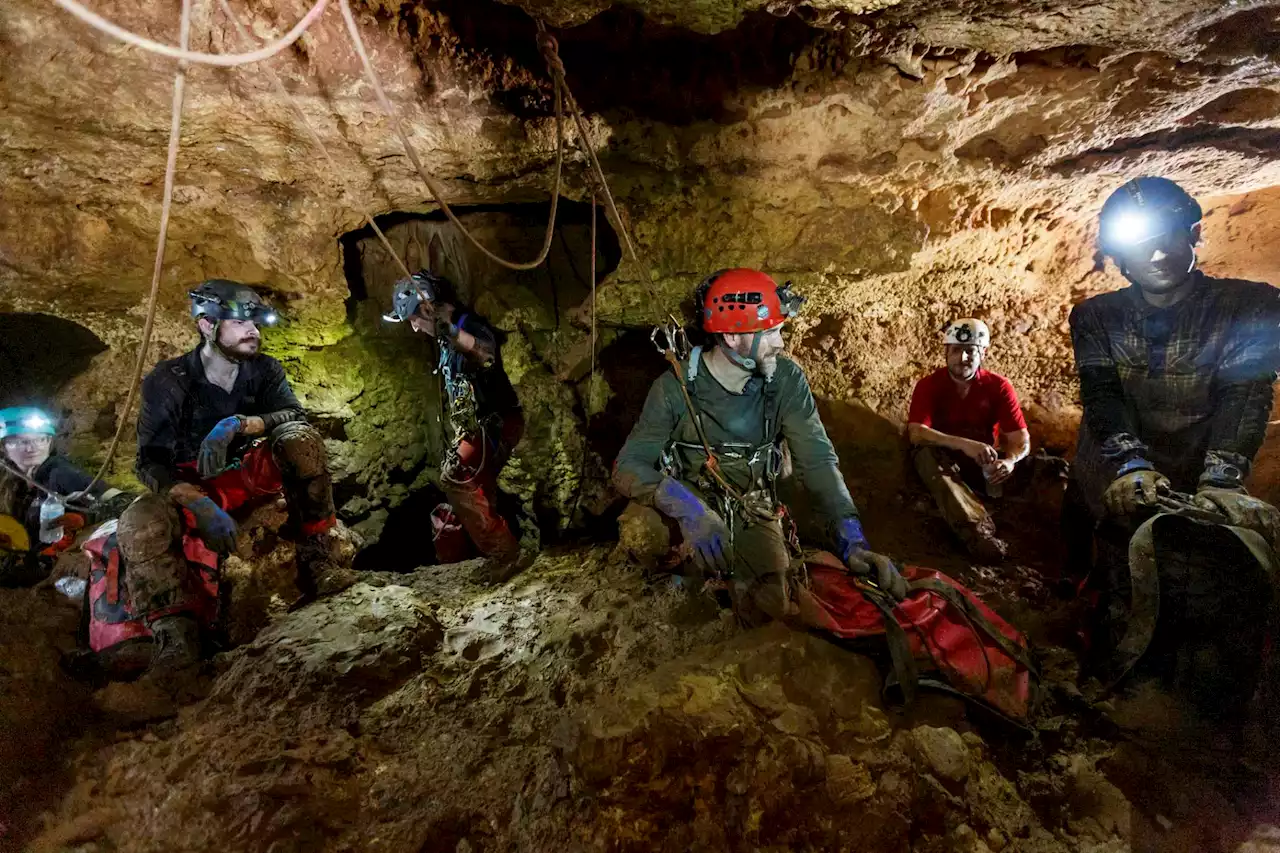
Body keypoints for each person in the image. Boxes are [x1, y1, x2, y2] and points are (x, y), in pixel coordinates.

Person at [1067, 176, 1280, 721]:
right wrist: (1129, 464)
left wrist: (1222, 479)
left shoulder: (1250, 306)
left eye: (1168, 237)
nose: (1157, 253)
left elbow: (1245, 394)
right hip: (1115, 454)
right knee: (1119, 547)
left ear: (1194, 234)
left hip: (1200, 452)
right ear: (1118, 254)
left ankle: (1205, 703)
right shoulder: (1096, 317)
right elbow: (1103, 394)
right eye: (1140, 243)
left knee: (1206, 558)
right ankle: (1116, 673)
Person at [613, 267, 906, 625]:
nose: (780, 343)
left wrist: (852, 540)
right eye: (769, 332)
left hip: (752, 502)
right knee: (642, 532)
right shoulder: (675, 387)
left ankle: (729, 574)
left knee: (774, 611)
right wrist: (688, 508)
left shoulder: (785, 379)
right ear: (731, 337)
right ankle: (685, 578)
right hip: (692, 494)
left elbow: (817, 462)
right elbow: (629, 463)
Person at [121, 279, 354, 673]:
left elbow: (294, 415)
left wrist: (241, 424)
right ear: (207, 326)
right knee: (138, 520)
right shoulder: (169, 381)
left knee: (300, 439)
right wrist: (198, 502)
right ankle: (176, 629)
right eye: (240, 323)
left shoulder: (263, 370)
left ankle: (317, 559)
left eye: (256, 324)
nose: (253, 332)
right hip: (194, 483)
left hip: (246, 473)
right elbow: (148, 462)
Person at [384, 270, 529, 580]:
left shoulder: (466, 326)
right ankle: (492, 553)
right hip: (479, 425)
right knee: (481, 487)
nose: (412, 327)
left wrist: (447, 329)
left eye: (412, 317)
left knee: (454, 478)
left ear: (426, 308)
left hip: (495, 423)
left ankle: (505, 553)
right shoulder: (444, 339)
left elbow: (485, 354)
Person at [906, 319, 1030, 561]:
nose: (962, 358)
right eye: (955, 350)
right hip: (944, 458)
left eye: (970, 351)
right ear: (946, 352)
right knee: (926, 455)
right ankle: (978, 533)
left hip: (983, 460)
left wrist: (1011, 461)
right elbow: (916, 432)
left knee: (1049, 469)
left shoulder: (999, 387)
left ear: (983, 352)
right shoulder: (930, 385)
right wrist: (964, 444)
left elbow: (1020, 438)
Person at [0, 406, 133, 586]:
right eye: (20, 441)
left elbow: (126, 501)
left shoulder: (61, 473)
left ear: (50, 442)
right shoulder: (13, 482)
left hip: (58, 567)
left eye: (41, 439)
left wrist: (85, 517)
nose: (32, 448)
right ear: (3, 448)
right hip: (24, 557)